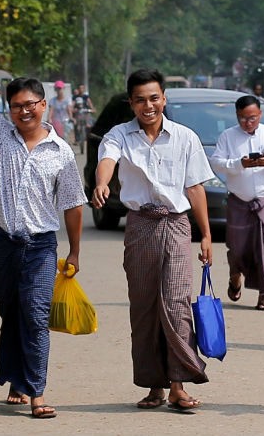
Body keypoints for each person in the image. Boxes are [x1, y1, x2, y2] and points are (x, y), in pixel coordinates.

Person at [0, 15, 86, 419]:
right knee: (10, 309)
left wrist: (74, 251)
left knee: (35, 314)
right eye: (17, 106)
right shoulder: (0, 137)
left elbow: (72, 204)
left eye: (31, 104)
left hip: (42, 247)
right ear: (9, 110)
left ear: (43, 105)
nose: (24, 111)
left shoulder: (61, 152)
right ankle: (17, 378)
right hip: (7, 244)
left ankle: (37, 393)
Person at [91, 68, 214, 412]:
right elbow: (107, 160)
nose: (148, 106)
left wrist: (206, 235)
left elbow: (195, 188)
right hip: (140, 226)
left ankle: (178, 384)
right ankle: (154, 385)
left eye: (154, 98)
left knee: (175, 304)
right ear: (131, 103)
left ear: (164, 98)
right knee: (145, 307)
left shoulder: (185, 137)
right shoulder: (119, 135)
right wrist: (102, 183)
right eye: (140, 100)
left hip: (176, 226)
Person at [210, 95, 264, 311]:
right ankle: (235, 276)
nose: (248, 123)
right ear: (237, 116)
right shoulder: (228, 136)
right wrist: (239, 164)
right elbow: (216, 163)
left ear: (260, 115)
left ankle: (263, 295)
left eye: (252, 118)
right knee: (237, 248)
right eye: (243, 118)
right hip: (239, 200)